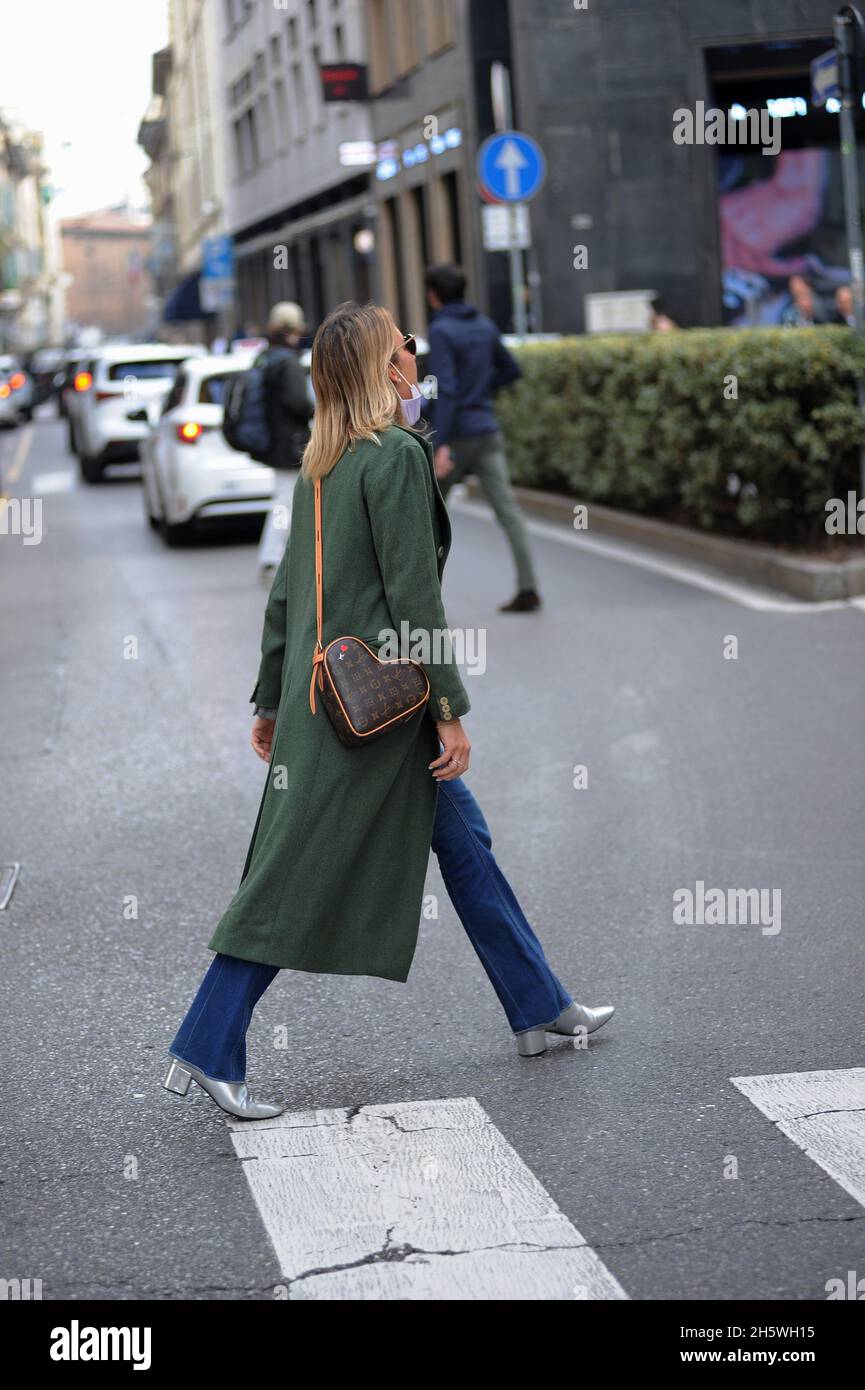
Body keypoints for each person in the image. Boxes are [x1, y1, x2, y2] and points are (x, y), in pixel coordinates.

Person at [163, 300, 614, 1120]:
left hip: (328, 702)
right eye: (404, 343)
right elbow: (414, 601)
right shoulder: (396, 457)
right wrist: (448, 708)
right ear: (385, 367)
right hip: (373, 715)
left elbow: (289, 594)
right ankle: (206, 1043)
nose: (415, 352)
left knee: (464, 843)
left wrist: (269, 698)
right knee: (291, 879)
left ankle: (539, 1004)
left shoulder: (324, 459)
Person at [425, 263, 542, 613]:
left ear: (433, 296)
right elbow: (512, 369)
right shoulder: (484, 324)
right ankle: (528, 587)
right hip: (486, 431)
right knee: (509, 511)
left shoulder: (442, 330)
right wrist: (482, 391)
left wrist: (439, 443)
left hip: (456, 437)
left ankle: (422, 604)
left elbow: (447, 390)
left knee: (428, 517)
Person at [256, 301, 312, 587]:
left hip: (275, 441)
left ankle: (284, 560)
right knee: (284, 501)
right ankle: (271, 560)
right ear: (295, 329)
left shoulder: (266, 357)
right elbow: (297, 402)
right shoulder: (288, 362)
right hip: (289, 443)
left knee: (288, 499)